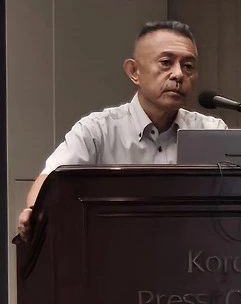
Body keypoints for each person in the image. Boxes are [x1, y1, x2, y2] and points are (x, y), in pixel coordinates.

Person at [15, 20, 227, 240]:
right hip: (114, 249)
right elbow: (50, 181)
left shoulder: (211, 131)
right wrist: (34, 212)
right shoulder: (98, 131)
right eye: (166, 63)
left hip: (193, 251)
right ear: (134, 71)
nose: (178, 74)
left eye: (188, 66)